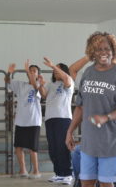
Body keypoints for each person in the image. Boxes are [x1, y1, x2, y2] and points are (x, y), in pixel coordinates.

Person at [66, 31, 116, 187]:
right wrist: (70, 131)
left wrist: (106, 117)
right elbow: (80, 107)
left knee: (105, 183)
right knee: (86, 181)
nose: (104, 52)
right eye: (99, 49)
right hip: (89, 141)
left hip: (111, 140)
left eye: (107, 48)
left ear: (114, 51)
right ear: (92, 53)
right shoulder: (88, 73)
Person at [38, 57, 74, 185]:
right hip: (50, 119)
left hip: (63, 118)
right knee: (53, 147)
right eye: (54, 71)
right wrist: (41, 84)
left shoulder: (68, 83)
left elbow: (68, 80)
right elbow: (44, 95)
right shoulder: (51, 84)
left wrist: (53, 66)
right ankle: (58, 173)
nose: (55, 72)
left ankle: (68, 174)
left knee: (62, 146)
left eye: (58, 70)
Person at [5, 60, 42, 179]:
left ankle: (36, 171)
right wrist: (8, 73)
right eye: (30, 71)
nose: (31, 73)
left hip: (33, 121)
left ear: (38, 74)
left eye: (34, 71)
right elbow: (7, 81)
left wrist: (28, 71)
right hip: (21, 120)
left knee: (33, 148)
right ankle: (23, 170)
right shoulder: (21, 85)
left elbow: (35, 86)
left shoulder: (39, 85)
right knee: (18, 147)